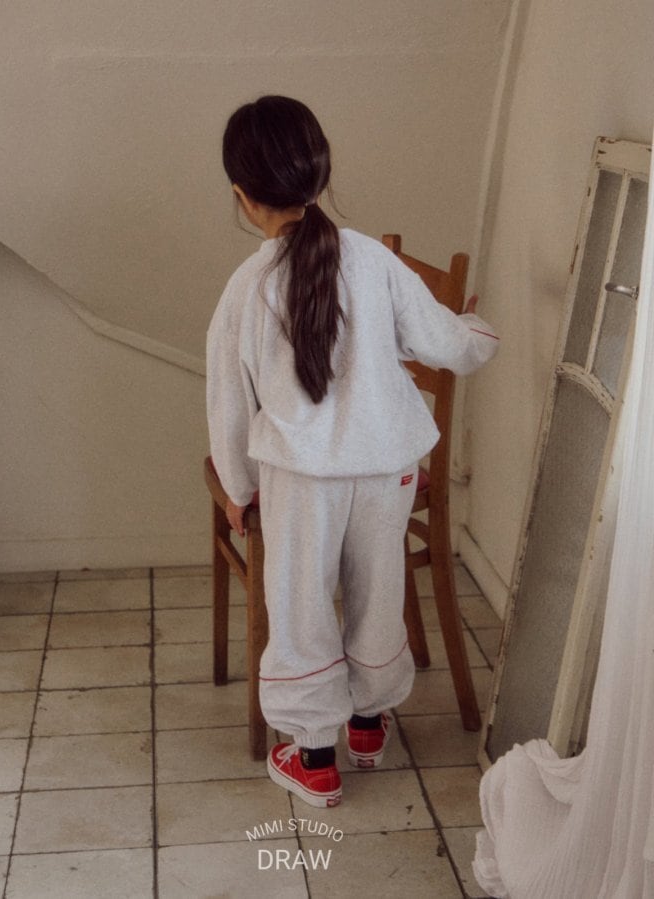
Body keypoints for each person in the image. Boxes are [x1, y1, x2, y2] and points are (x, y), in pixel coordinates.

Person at [206, 95, 498, 809]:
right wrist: (478, 330)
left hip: (302, 479)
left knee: (301, 601)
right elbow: (448, 345)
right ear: (320, 172)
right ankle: (368, 724)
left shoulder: (246, 288)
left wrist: (239, 491)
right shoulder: (373, 260)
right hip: (387, 467)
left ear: (243, 196)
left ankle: (314, 757)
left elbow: (229, 402)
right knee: (378, 586)